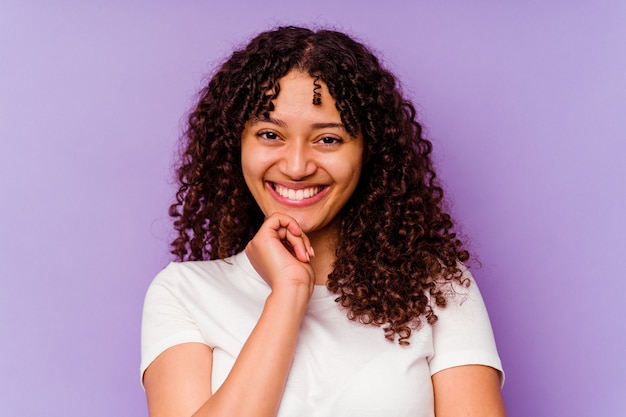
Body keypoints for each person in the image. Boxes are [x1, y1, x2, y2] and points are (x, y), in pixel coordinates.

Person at [140, 26, 506, 417]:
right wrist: (289, 294)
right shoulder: (182, 293)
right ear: (236, 146)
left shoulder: (438, 289)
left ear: (368, 153)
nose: (297, 167)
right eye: (270, 134)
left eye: (328, 139)